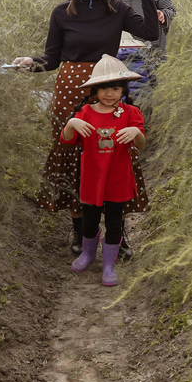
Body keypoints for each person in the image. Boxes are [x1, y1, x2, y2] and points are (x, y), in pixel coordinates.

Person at [12, 0, 158, 258]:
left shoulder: (118, 9)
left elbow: (150, 33)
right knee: (76, 158)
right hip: (70, 90)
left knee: (115, 154)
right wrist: (29, 63)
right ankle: (80, 230)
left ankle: (116, 234)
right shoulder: (61, 13)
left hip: (110, 86)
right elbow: (51, 59)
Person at [61, 55, 146, 286]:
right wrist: (71, 124)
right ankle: (88, 254)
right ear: (95, 90)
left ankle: (108, 264)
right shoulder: (85, 113)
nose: (110, 94)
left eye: (116, 89)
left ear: (123, 89)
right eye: (105, 89)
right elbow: (67, 140)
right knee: (89, 220)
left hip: (118, 178)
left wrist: (135, 133)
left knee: (115, 221)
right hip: (91, 178)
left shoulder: (130, 113)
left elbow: (141, 143)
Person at [111, 0, 176, 99]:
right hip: (122, 49)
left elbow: (171, 9)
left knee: (149, 84)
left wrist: (163, 14)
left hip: (152, 47)